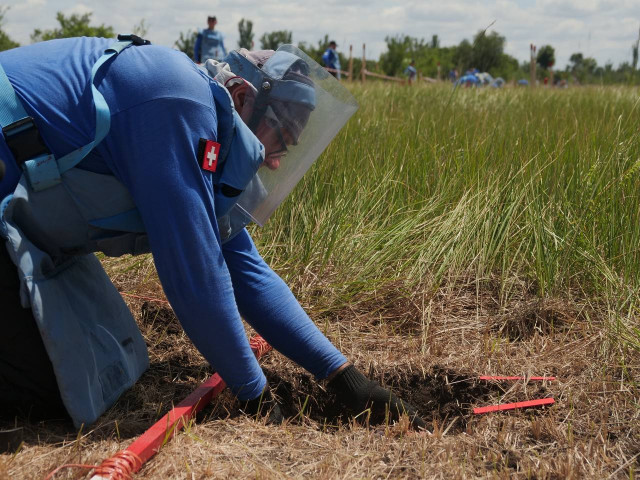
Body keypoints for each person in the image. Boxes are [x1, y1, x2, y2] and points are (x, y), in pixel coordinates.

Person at [0, 35, 426, 430]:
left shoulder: (201, 121)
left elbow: (246, 271)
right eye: (277, 140)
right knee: (48, 393)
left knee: (97, 370)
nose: (273, 163)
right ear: (242, 96)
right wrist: (255, 398)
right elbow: (196, 277)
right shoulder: (177, 103)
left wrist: (346, 380)